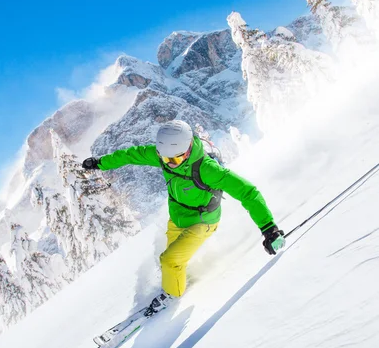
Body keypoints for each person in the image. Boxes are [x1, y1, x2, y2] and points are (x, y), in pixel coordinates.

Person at [82, 120, 284, 316]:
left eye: (176, 160)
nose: (170, 164)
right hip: (177, 219)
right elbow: (131, 155)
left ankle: (172, 295)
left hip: (203, 222)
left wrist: (269, 228)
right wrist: (100, 163)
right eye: (165, 159)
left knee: (169, 260)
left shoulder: (207, 169)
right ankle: (180, 279)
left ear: (187, 151)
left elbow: (248, 192)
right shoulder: (165, 157)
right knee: (171, 260)